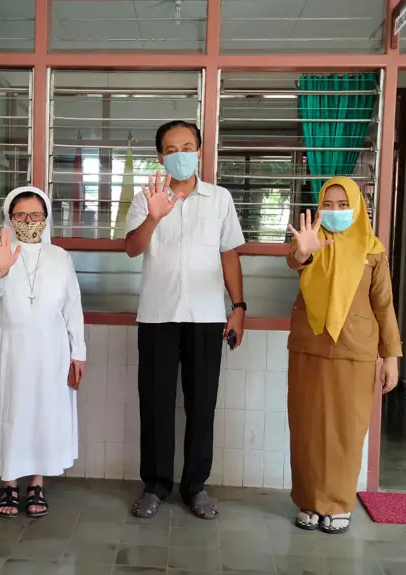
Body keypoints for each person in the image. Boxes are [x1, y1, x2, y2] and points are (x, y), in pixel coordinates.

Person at [124, 120, 246, 520]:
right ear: (161, 156)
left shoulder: (220, 199)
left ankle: (195, 487)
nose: (180, 154)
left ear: (199, 151)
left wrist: (239, 308)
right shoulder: (147, 198)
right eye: (172, 149)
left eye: (187, 146)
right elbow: (131, 248)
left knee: (201, 405)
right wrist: (154, 217)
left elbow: (229, 254)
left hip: (207, 318)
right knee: (156, 405)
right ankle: (156, 485)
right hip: (158, 317)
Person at [285, 176, 401, 535]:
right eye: (328, 205)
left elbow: (384, 306)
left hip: (357, 351)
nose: (335, 212)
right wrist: (305, 251)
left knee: (346, 431)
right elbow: (296, 262)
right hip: (310, 347)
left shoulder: (373, 250)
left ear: (358, 207)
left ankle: (338, 503)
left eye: (342, 205)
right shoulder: (313, 243)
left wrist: (391, 357)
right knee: (307, 427)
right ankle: (308, 500)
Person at [0, 186, 87, 519]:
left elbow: (73, 308)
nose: (29, 221)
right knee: (9, 411)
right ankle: (8, 482)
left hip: (52, 349)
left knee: (43, 415)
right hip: (9, 346)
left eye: (35, 215)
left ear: (46, 219)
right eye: (21, 215)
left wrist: (79, 352)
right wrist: (0, 270)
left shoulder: (60, 256)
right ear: (10, 217)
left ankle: (37, 482)